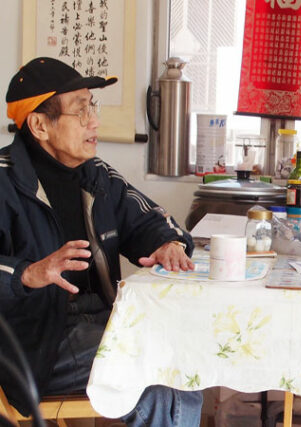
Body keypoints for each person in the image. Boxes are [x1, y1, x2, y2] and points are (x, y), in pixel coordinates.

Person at [0, 57, 203, 426]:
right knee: (161, 380)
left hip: (103, 321)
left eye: (92, 107)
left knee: (183, 357)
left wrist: (167, 244)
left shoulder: (96, 176)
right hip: (35, 341)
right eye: (80, 111)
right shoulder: (4, 182)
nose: (94, 121)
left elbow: (151, 220)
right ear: (40, 125)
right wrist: (27, 274)